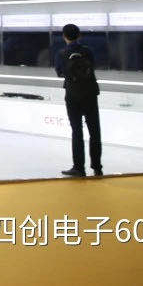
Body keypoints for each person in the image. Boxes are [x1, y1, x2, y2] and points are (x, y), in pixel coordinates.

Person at [54, 23, 102, 178]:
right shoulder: (88, 51)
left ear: (64, 36)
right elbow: (93, 67)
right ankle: (97, 168)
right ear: (79, 35)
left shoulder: (61, 53)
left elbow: (59, 73)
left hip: (72, 95)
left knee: (77, 131)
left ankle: (79, 168)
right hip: (90, 94)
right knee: (95, 131)